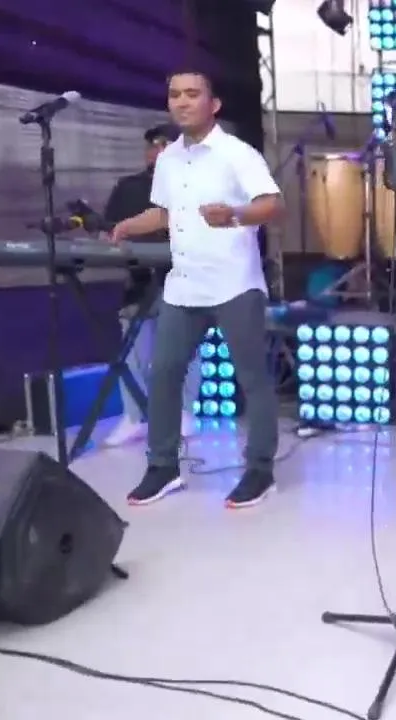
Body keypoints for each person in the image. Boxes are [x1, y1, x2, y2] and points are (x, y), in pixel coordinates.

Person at [109, 70, 285, 508]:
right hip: (184, 286)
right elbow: (166, 213)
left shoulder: (236, 153)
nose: (182, 102)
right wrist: (129, 225)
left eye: (192, 94)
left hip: (234, 284)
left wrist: (236, 214)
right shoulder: (169, 158)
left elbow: (272, 203)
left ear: (214, 104)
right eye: (175, 95)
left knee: (252, 377)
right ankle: (162, 466)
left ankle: (259, 470)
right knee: (164, 372)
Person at [102, 123, 202, 446]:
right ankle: (134, 416)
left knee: (184, 348)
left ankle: (184, 411)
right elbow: (110, 230)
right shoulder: (128, 187)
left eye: (165, 144)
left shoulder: (195, 183)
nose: (158, 151)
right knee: (133, 350)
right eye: (153, 145)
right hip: (140, 280)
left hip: (183, 279)